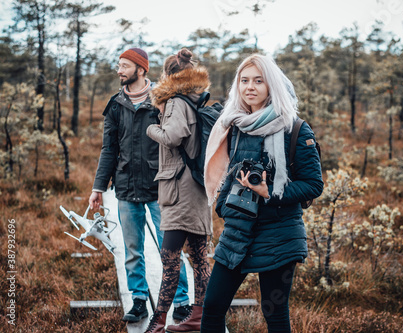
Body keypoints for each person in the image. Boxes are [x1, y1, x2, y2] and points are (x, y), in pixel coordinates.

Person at [201, 54, 323, 332]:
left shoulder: (294, 128)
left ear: (272, 86)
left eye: (259, 80)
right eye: (244, 81)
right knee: (212, 309)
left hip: (279, 233)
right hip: (238, 231)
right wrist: (224, 204)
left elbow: (314, 184)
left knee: (274, 313)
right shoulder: (235, 125)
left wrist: (270, 192)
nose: (250, 87)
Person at [88, 47, 191, 323]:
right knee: (133, 249)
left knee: (169, 247)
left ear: (141, 69)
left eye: (124, 65)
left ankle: (182, 301)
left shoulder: (163, 99)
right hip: (125, 188)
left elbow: (178, 138)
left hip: (161, 188)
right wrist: (98, 187)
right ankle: (138, 300)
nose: (119, 70)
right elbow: (108, 149)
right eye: (118, 65)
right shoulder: (115, 105)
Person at [144, 48, 212, 333]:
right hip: (197, 189)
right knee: (199, 258)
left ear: (167, 76)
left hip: (179, 191)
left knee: (169, 258)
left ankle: (157, 322)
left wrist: (151, 129)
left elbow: (172, 136)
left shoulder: (174, 102)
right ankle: (199, 317)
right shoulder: (194, 100)